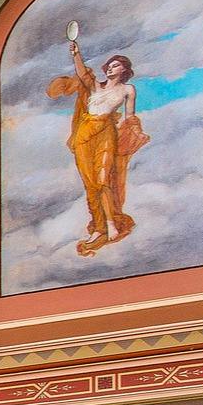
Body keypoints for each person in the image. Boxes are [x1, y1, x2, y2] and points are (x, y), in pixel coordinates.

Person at [46, 22, 147, 256]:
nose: (111, 69)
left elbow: (130, 116)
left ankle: (111, 224)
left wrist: (131, 132)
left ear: (124, 70)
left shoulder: (128, 89)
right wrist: (76, 53)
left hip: (106, 132)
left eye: (116, 66)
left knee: (103, 179)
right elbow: (82, 74)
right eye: (110, 66)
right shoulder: (95, 86)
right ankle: (98, 227)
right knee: (90, 184)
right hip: (84, 134)